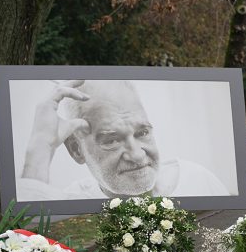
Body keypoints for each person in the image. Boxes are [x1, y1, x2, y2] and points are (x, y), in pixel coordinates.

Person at [18, 80, 230, 200]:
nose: (137, 155)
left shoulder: (198, 180)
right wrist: (41, 148)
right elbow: (23, 243)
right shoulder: (69, 202)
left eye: (143, 132)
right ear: (76, 150)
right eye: (112, 140)